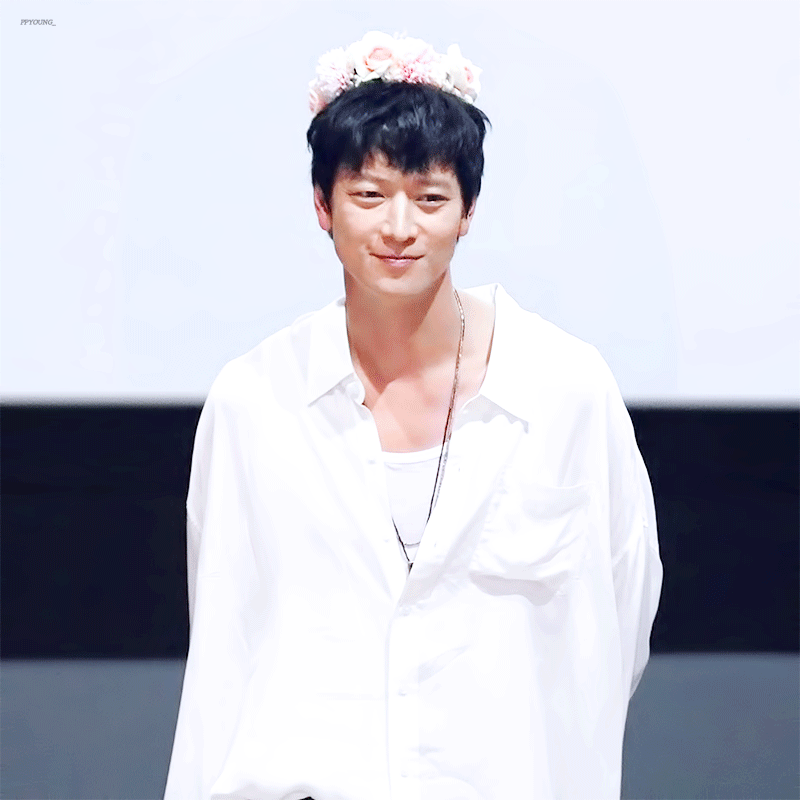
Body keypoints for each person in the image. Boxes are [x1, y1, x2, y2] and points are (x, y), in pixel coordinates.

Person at [164, 31, 663, 800]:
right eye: (369, 196)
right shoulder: (255, 400)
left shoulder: (564, 388)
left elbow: (623, 609)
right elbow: (225, 638)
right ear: (323, 206)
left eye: (430, 198)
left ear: (468, 213)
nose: (399, 227)